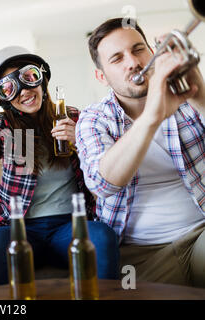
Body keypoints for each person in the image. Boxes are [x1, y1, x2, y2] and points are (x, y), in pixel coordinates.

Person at [0, 46, 120, 288]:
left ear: (42, 78)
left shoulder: (73, 117)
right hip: (20, 228)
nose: (24, 91)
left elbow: (107, 171)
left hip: (71, 226)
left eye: (29, 77)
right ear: (3, 98)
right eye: (9, 88)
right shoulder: (5, 125)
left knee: (103, 238)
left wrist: (81, 140)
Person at [76, 18, 205, 287]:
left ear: (152, 53)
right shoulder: (93, 119)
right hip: (139, 253)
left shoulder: (186, 99)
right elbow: (102, 184)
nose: (133, 63)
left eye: (138, 49)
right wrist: (152, 117)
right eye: (117, 58)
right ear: (102, 76)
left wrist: (200, 94)